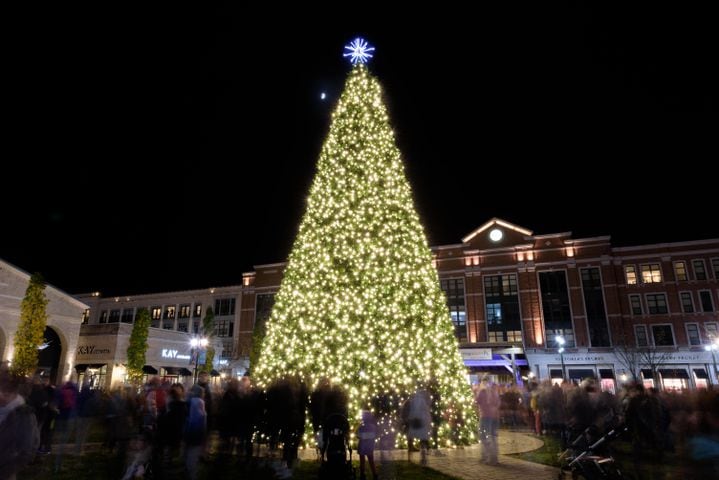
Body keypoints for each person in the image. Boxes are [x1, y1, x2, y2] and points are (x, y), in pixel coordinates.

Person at [0, 372, 40, 480]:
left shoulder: (24, 415)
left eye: (6, 394)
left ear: (15, 394)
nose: (1, 396)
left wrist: (7, 471)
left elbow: (28, 449)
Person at [476, 379, 500, 465]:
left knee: (484, 436)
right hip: (495, 416)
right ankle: (494, 458)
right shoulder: (494, 392)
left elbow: (477, 401)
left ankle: (488, 457)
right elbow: (497, 403)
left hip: (485, 416)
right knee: (493, 436)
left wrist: (478, 390)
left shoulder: (482, 391)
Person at [357, 410, 378, 480]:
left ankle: (362, 474)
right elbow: (374, 436)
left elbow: (358, 436)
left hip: (362, 446)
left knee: (362, 461)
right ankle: (374, 474)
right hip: (369, 446)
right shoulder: (373, 427)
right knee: (371, 461)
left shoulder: (361, 427)